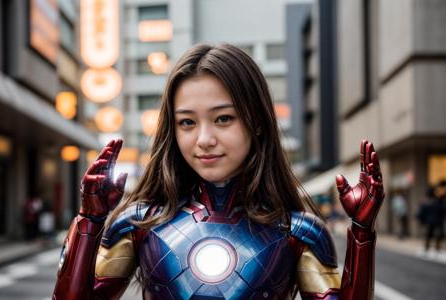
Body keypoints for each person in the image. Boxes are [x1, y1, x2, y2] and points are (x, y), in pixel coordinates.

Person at [53, 44, 385, 300]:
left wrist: (361, 233)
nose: (205, 140)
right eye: (187, 122)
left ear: (255, 121)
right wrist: (89, 221)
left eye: (223, 118)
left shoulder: (297, 232)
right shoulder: (140, 223)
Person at [417, 186, 445, 252]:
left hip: (429, 221)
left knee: (429, 234)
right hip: (438, 221)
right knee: (437, 234)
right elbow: (443, 210)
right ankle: (437, 247)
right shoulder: (438, 202)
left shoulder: (426, 202)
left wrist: (421, 221)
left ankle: (427, 247)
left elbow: (420, 213)